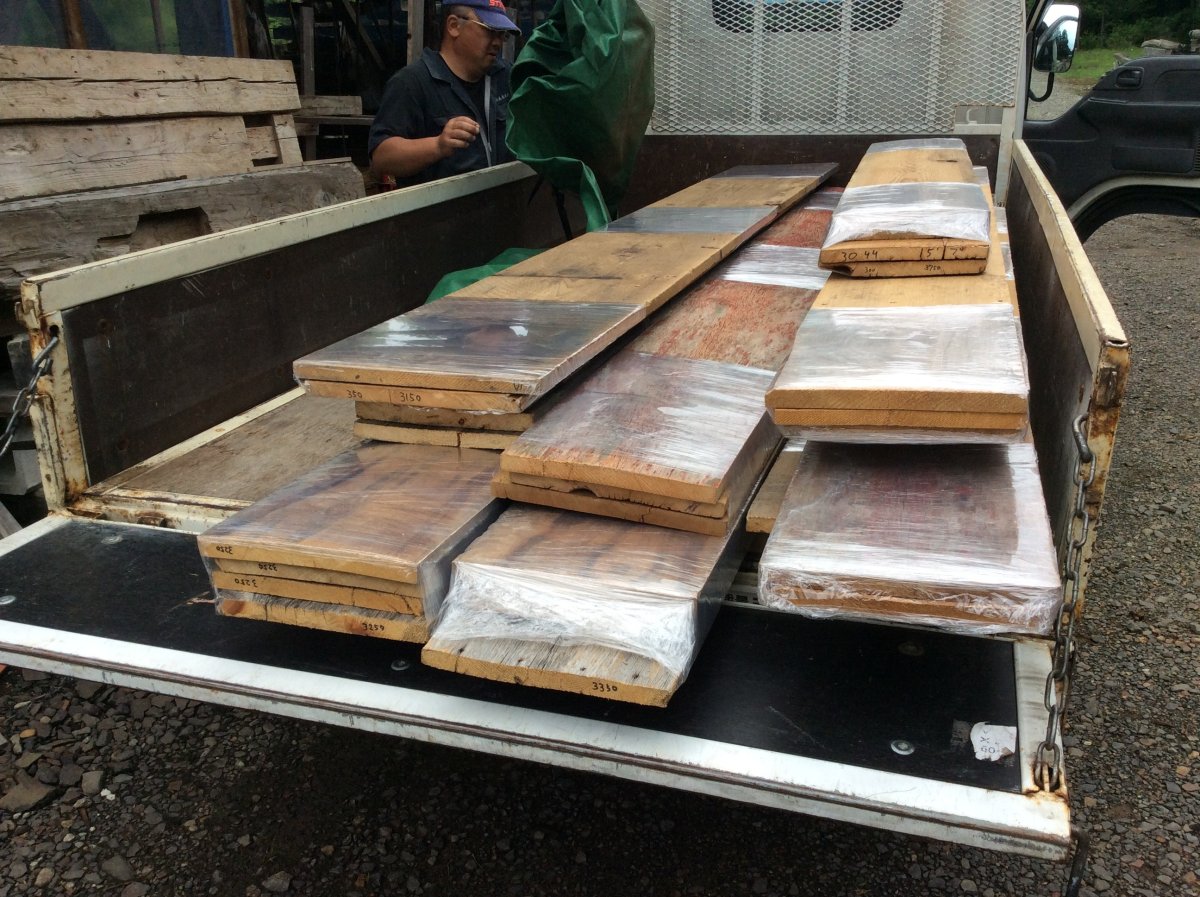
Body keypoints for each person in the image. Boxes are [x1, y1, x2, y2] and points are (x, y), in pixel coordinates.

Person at [368, 0, 521, 188]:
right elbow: (381, 159)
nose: (497, 42)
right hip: (440, 207)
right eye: (489, 30)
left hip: (502, 203)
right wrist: (437, 145)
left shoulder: (507, 78)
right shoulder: (413, 83)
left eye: (502, 34)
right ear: (454, 26)